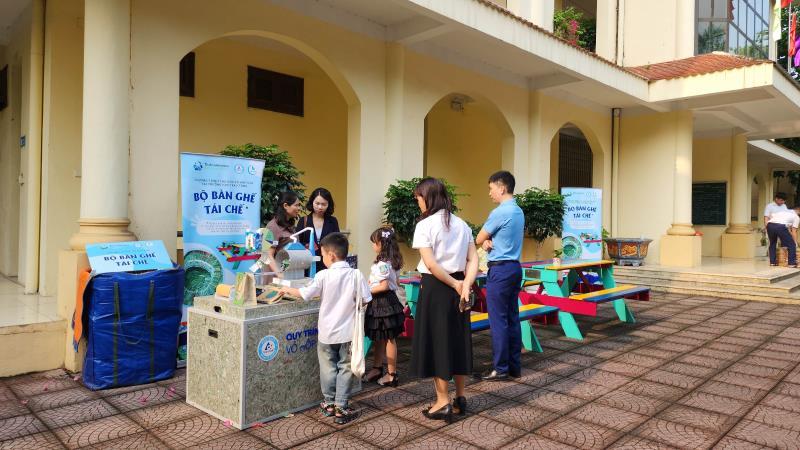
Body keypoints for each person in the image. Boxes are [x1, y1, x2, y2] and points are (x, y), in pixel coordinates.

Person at [280, 233, 371, 424]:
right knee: (345, 367)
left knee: (328, 367)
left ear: (331, 255)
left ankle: (328, 403)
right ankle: (341, 406)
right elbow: (365, 300)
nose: (322, 259)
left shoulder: (323, 275)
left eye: (322, 255)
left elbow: (305, 294)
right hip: (348, 333)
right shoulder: (356, 275)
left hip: (327, 333)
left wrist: (285, 289)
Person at [410, 177, 479, 423]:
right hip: (460, 286)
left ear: (428, 197)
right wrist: (465, 285)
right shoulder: (462, 224)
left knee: (438, 342)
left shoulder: (425, 225)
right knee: (458, 340)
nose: (418, 202)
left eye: (418, 198)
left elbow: (430, 264)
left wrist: (455, 284)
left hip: (436, 287)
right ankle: (460, 397)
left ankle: (442, 401)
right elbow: (474, 259)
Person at [474, 171, 524, 381]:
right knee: (512, 318)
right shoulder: (518, 211)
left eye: (491, 188)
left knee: (498, 321)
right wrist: (489, 241)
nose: (490, 193)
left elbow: (479, 238)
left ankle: (500, 368)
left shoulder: (500, 212)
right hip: (514, 268)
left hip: (500, 270)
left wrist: (485, 241)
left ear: (502, 188)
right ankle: (513, 366)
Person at [362, 227, 405, 387]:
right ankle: (377, 368)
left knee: (389, 338)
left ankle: (391, 374)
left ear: (381, 243)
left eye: (374, 242)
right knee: (380, 337)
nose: (372, 245)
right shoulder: (391, 261)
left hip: (383, 302)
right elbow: (395, 282)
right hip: (385, 302)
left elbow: (384, 286)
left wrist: (365, 291)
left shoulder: (382, 264)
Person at [297, 187, 340, 272]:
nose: (320, 207)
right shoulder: (303, 221)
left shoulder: (333, 221)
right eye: (317, 203)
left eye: (324, 204)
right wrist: (307, 245)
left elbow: (337, 243)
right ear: (312, 202)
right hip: (308, 265)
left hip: (328, 266)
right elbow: (297, 243)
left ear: (328, 204)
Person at [263, 192, 302, 274]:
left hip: (288, 273)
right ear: (286, 206)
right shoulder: (272, 226)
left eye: (299, 205)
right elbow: (268, 255)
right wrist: (279, 274)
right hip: (275, 277)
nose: (299, 208)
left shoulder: (290, 225)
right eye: (296, 205)